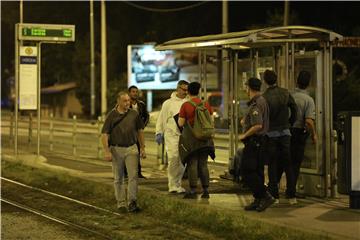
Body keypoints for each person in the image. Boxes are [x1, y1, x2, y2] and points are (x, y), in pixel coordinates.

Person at [101, 91, 146, 213]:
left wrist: (142, 147)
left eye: (128, 100)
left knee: (133, 176)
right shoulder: (111, 115)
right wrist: (107, 151)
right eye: (125, 101)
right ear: (118, 102)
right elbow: (105, 134)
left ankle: (132, 202)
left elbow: (140, 130)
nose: (128, 103)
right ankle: (121, 203)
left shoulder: (134, 114)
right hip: (116, 149)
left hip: (132, 148)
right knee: (118, 178)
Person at [262, 70, 298, 204]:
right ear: (276, 79)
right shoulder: (285, 92)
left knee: (272, 164)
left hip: (271, 134)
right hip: (285, 132)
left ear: (265, 81)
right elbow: (294, 109)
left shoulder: (264, 97)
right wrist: (290, 123)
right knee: (288, 164)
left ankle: (274, 195)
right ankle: (292, 195)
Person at [239, 77, 274, 212]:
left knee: (247, 171)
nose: (245, 89)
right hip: (260, 142)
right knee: (258, 172)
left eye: (246, 86)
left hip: (254, 142)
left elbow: (258, 125)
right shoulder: (261, 101)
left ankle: (265, 196)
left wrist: (244, 134)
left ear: (249, 87)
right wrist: (245, 121)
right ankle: (258, 200)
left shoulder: (256, 104)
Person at [178, 81, 215, 199]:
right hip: (205, 140)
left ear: (188, 92)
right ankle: (206, 190)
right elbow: (211, 121)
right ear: (198, 91)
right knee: (203, 164)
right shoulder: (206, 104)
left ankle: (193, 190)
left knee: (192, 164)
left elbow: (180, 123)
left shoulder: (186, 105)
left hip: (192, 140)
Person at [155, 80, 189, 193]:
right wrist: (159, 132)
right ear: (178, 89)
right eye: (184, 89)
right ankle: (172, 184)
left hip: (184, 136)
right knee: (173, 158)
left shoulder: (188, 102)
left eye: (187, 90)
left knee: (182, 161)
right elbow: (161, 118)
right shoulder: (168, 103)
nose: (185, 92)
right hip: (172, 136)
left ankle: (177, 183)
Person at [290, 71, 317, 194]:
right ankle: (291, 191)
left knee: (284, 161)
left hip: (286, 131)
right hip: (298, 133)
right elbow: (309, 121)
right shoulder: (309, 100)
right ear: (309, 83)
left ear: (297, 80)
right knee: (295, 163)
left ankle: (274, 190)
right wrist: (314, 134)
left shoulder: (289, 96)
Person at [128, 85, 149, 178]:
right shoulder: (125, 103)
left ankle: (138, 172)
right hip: (127, 132)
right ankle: (126, 173)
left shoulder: (141, 104)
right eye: (133, 92)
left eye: (136, 92)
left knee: (138, 151)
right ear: (129, 93)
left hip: (138, 131)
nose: (135, 93)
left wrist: (143, 125)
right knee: (127, 152)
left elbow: (146, 116)